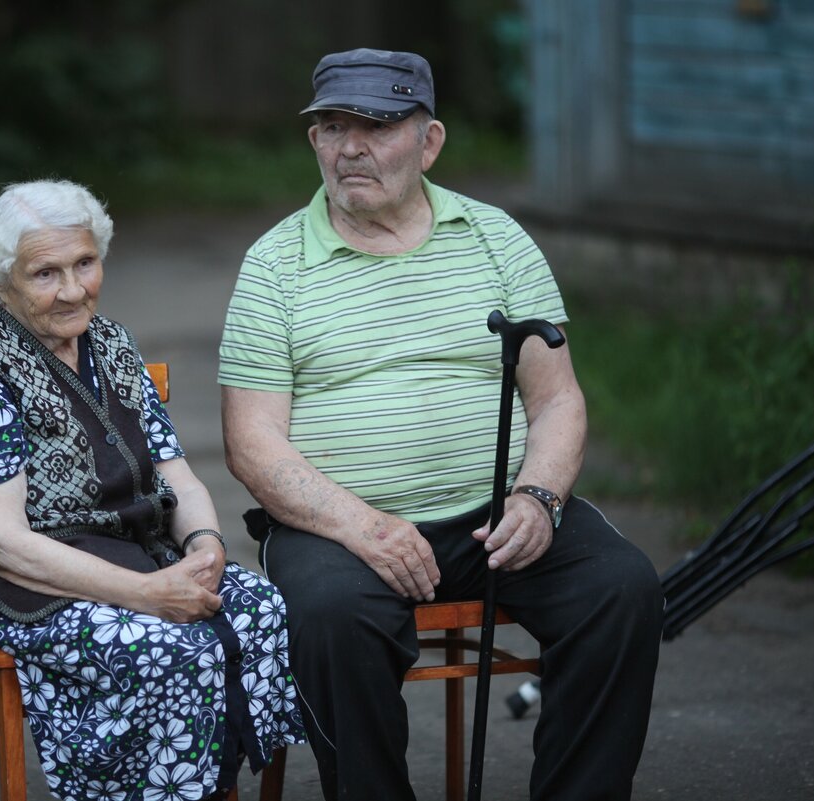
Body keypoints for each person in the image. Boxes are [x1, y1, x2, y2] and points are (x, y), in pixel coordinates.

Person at [218, 49, 663, 801]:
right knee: (327, 616)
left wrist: (539, 497)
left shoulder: (496, 238)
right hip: (340, 529)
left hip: (494, 515)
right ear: (314, 143)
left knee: (621, 588)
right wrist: (363, 526)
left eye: (378, 126)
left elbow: (557, 399)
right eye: (333, 126)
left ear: (429, 142)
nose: (351, 146)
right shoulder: (274, 266)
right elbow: (251, 440)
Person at [0, 179, 305, 801]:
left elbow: (176, 475)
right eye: (45, 274)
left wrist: (205, 543)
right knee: (172, 648)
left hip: (125, 547)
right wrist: (146, 594)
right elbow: (0, 542)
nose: (72, 289)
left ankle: (208, 788)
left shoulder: (111, 343)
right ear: (2, 281)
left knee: (261, 610)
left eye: (85, 263)